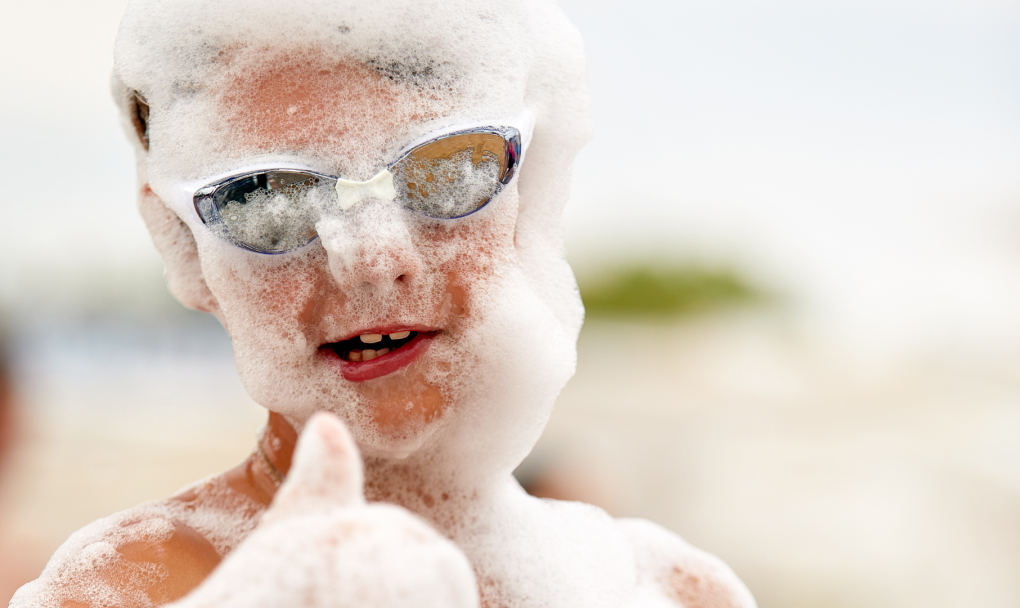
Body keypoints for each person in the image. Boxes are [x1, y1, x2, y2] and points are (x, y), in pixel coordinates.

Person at [12, 0, 757, 606]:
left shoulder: (669, 590)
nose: (372, 261)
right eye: (266, 199)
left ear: (529, 195)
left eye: (447, 170)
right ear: (183, 243)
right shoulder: (129, 592)